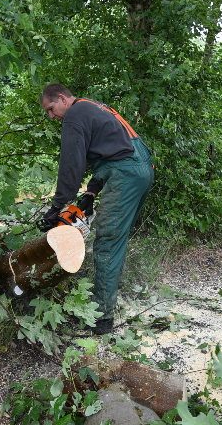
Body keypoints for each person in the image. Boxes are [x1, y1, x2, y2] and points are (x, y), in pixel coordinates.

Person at [37, 84, 154, 334]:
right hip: (139, 168)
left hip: (127, 174)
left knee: (107, 242)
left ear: (61, 98)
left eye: (51, 108)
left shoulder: (74, 116)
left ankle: (101, 317)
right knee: (116, 240)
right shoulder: (91, 107)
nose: (51, 116)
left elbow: (71, 164)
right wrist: (91, 191)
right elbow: (114, 152)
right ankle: (108, 300)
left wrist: (58, 206)